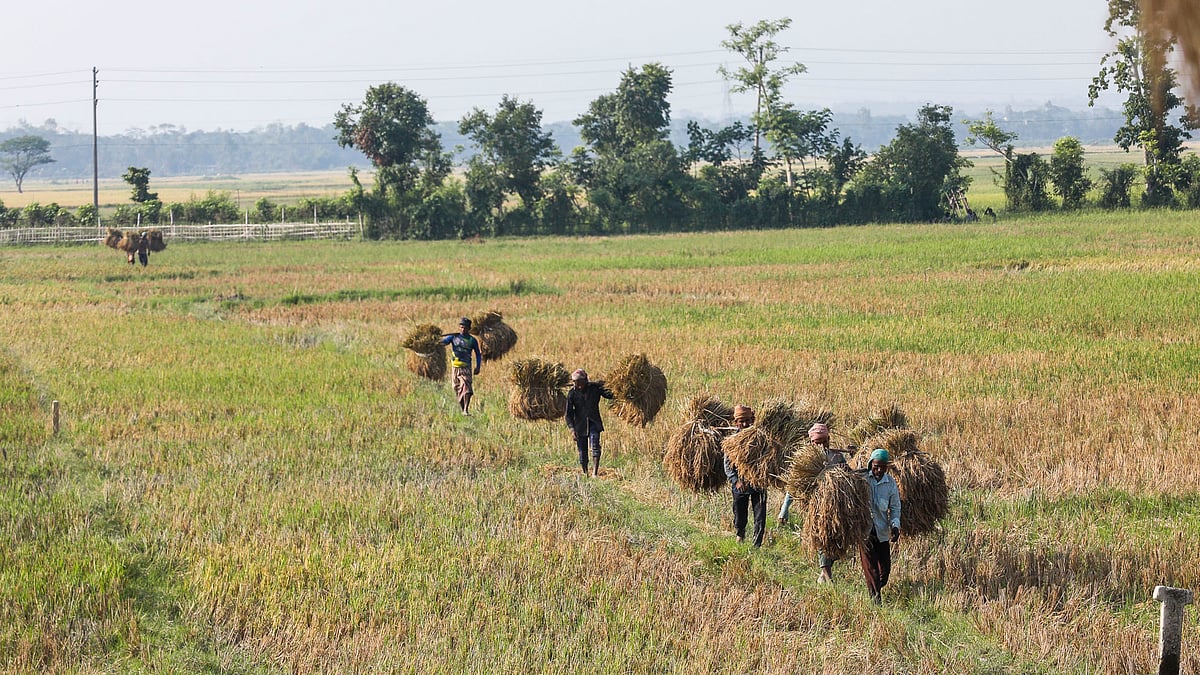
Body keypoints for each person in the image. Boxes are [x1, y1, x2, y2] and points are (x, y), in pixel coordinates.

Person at [859, 448, 902, 604]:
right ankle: (876, 602)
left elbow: (895, 507)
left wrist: (895, 526)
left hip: (882, 532)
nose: (878, 470)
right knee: (871, 569)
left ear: (886, 467)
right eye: (875, 466)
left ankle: (876, 587)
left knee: (885, 572)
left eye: (882, 467)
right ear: (871, 464)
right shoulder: (863, 478)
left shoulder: (890, 484)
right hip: (865, 532)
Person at [724, 405, 767, 547]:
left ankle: (757, 544)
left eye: (747, 421)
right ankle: (740, 533)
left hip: (758, 483)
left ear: (752, 420)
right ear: (736, 422)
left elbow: (768, 460)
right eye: (741, 421)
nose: (744, 424)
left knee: (760, 516)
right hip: (740, 484)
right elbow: (727, 465)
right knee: (739, 512)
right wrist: (736, 481)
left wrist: (760, 478)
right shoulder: (732, 441)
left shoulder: (761, 439)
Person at [565, 369, 614, 476]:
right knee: (582, 452)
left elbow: (610, 395)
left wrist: (612, 386)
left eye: (578, 382)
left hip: (594, 422)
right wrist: (572, 429)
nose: (577, 385)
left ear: (585, 381)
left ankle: (594, 473)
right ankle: (585, 472)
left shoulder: (595, 389)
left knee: (595, 446)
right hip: (580, 425)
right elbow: (568, 414)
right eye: (574, 382)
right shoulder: (572, 394)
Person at [440, 318, 482, 415]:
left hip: (466, 367)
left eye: (465, 328)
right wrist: (433, 341)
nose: (463, 329)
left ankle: (466, 409)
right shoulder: (453, 337)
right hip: (455, 367)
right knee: (457, 388)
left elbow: (478, 354)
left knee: (466, 388)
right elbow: (444, 342)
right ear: (459, 327)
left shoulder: (472, 340)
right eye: (462, 327)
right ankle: (463, 409)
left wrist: (478, 366)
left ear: (469, 329)